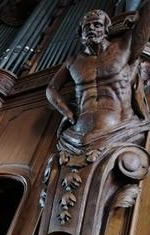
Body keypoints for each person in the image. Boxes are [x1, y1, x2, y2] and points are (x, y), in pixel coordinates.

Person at [46, 1, 150, 157]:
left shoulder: (124, 46)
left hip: (120, 130)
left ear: (106, 29)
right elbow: (51, 89)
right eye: (86, 27)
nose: (91, 29)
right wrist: (68, 113)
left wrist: (137, 15)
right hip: (76, 136)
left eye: (97, 25)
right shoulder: (73, 61)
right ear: (81, 33)